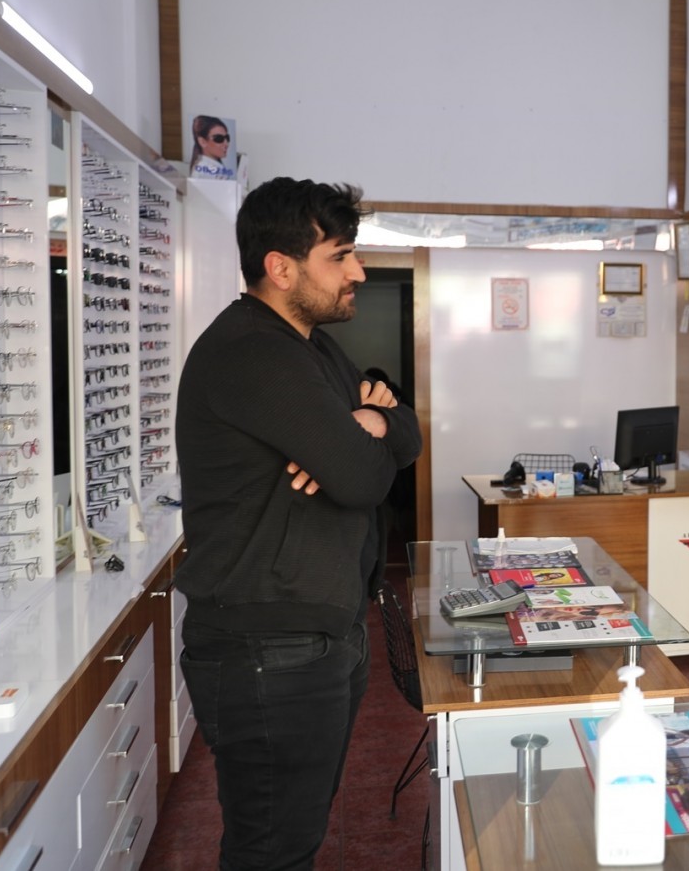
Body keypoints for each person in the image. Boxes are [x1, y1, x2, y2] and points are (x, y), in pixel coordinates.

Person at [175, 177, 422, 870]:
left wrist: (371, 423)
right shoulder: (254, 352)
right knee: (272, 850)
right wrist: (356, 446)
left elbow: (407, 430)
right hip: (267, 649)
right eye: (339, 257)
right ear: (280, 268)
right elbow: (366, 479)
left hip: (316, 633)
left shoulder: (312, 347)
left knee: (295, 835)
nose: (358, 272)